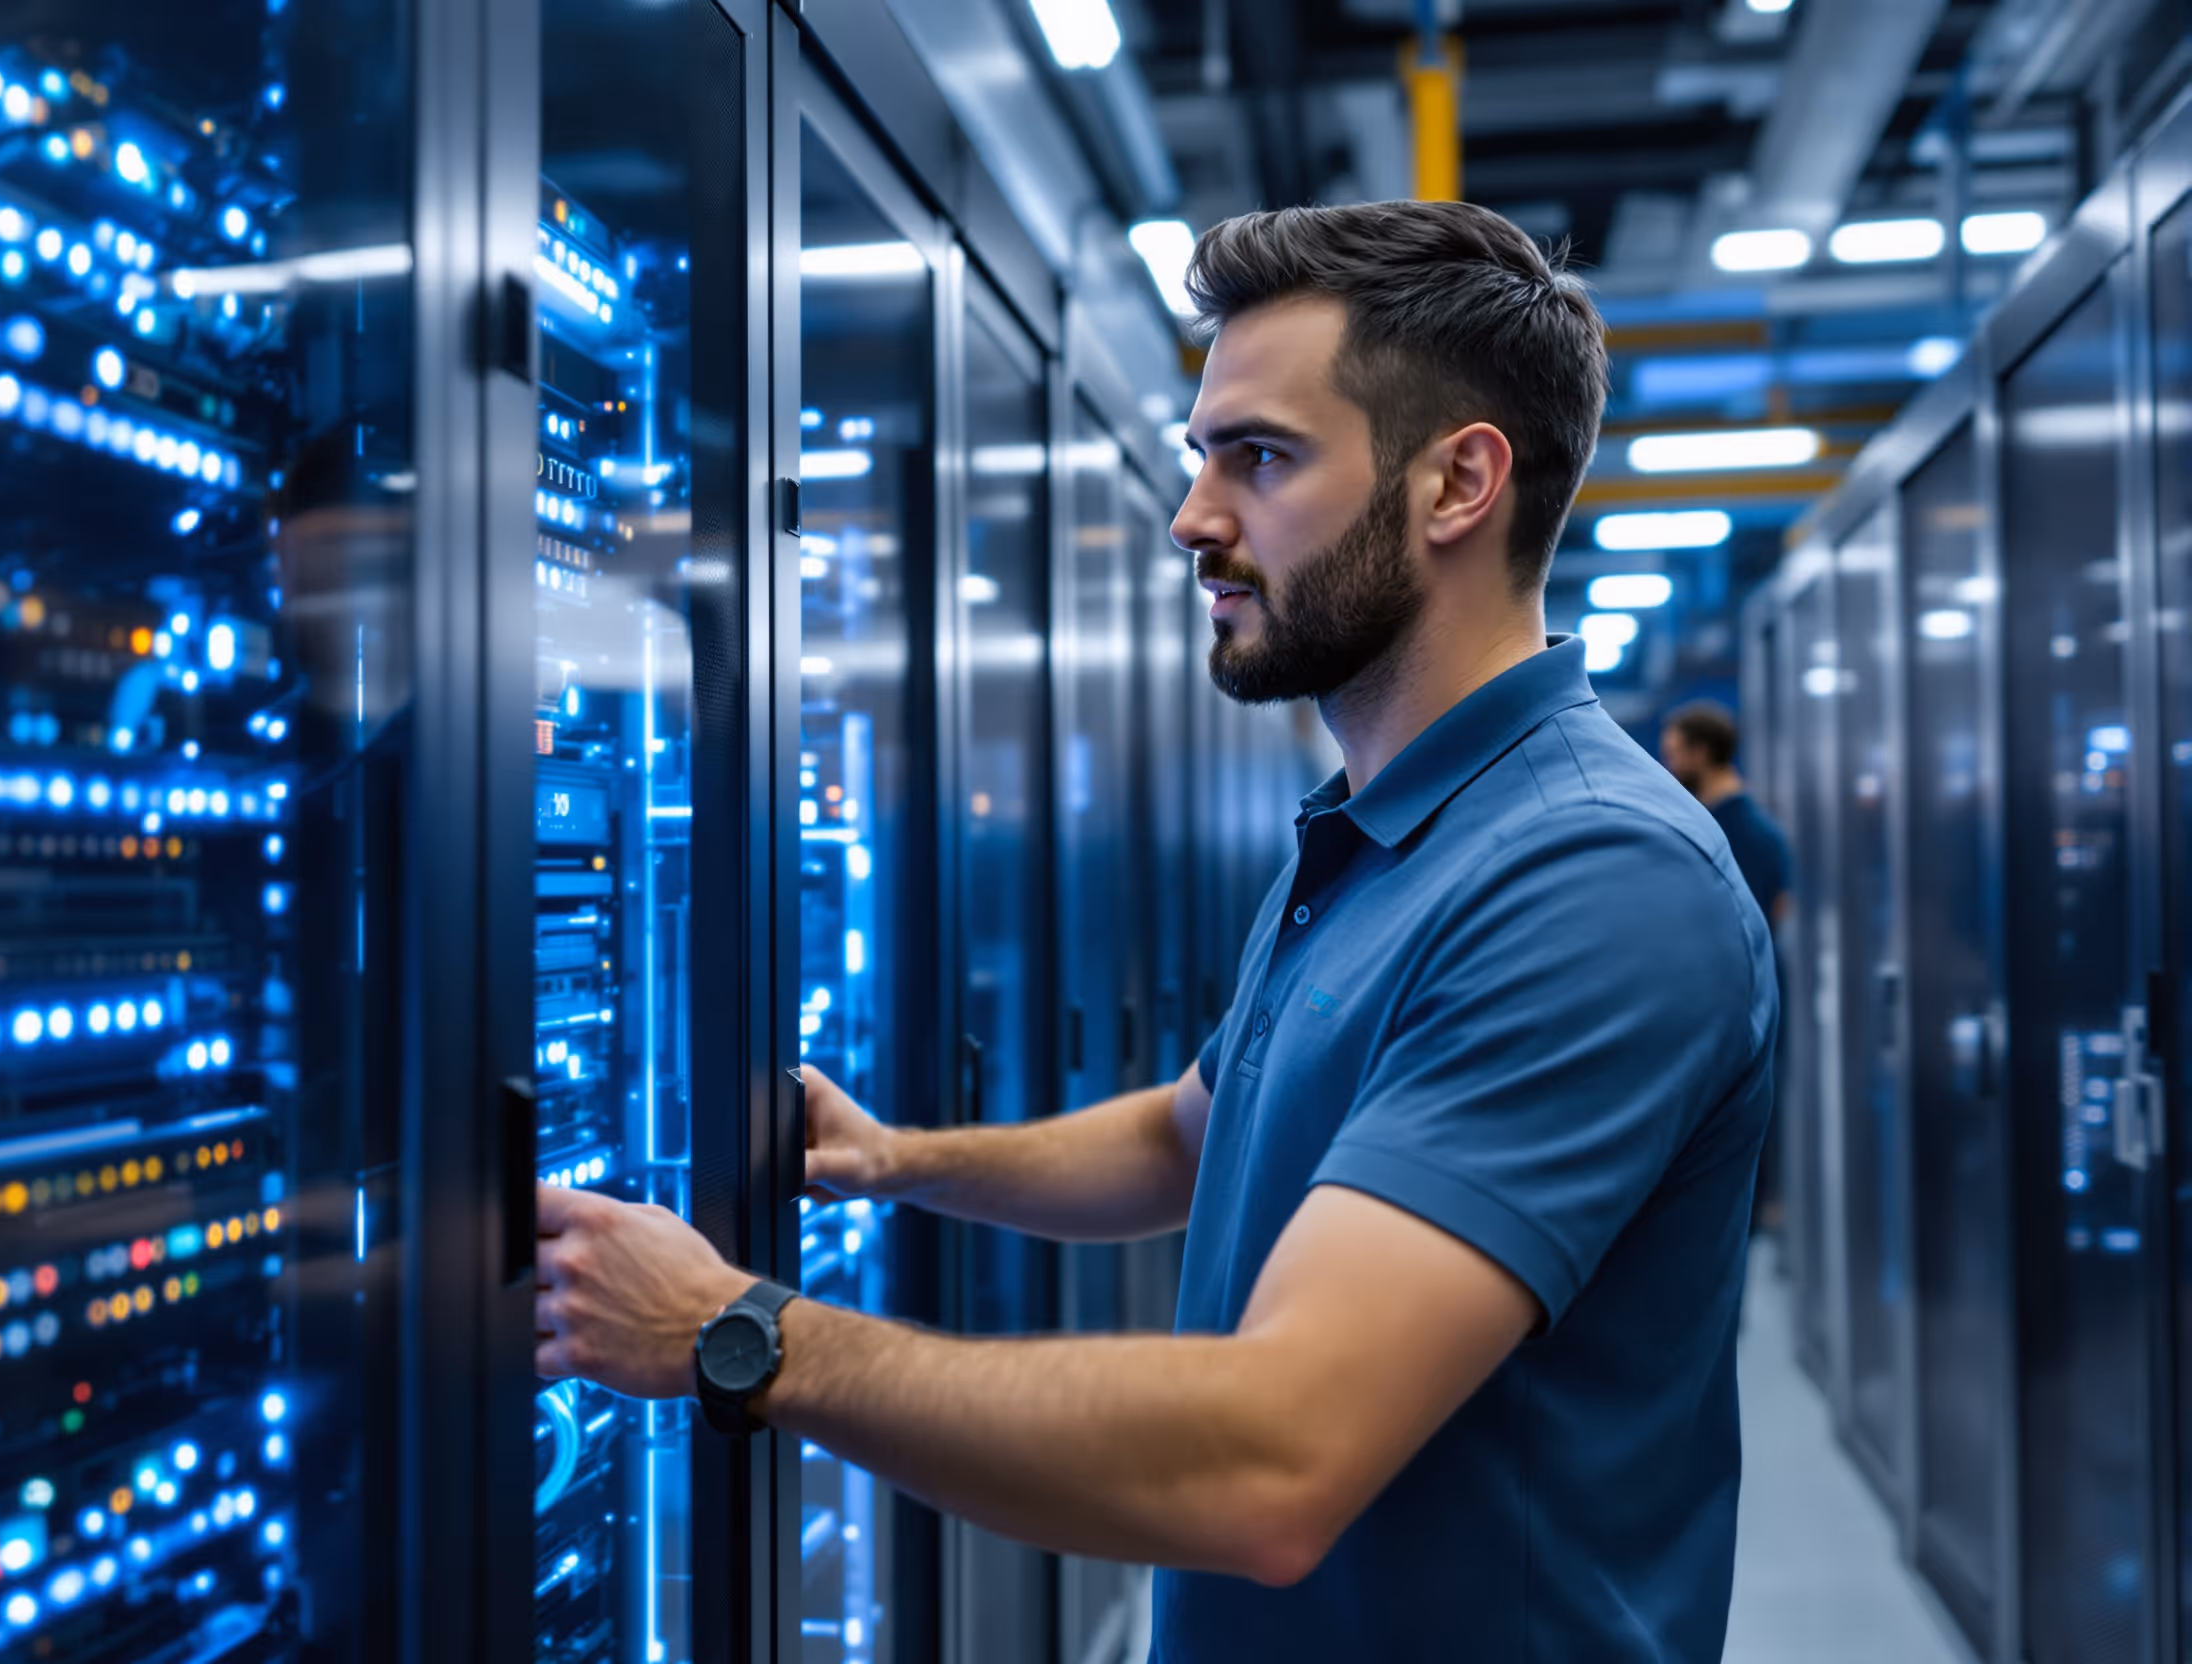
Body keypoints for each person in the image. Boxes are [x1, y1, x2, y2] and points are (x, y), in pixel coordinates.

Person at [532, 200, 1777, 1662]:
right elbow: (1194, 1137)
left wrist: (736, 1334)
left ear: (1459, 483)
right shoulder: (1380, 830)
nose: (1194, 516)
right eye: (1202, 458)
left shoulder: (1591, 881)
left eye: (1259, 456)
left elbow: (1274, 1461)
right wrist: (894, 1163)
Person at [1661, 700, 1794, 1231]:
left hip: (1731, 1009)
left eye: (1675, 754)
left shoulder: (1739, 832)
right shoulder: (1739, 827)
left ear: (1703, 753)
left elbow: (1773, 913)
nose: (1669, 767)